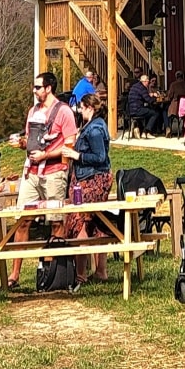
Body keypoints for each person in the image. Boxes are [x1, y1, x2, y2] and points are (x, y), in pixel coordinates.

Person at [9, 72, 77, 287]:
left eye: (38, 87)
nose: (35, 90)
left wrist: (46, 155)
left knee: (56, 220)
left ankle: (51, 272)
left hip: (54, 172)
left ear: (49, 88)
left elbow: (69, 145)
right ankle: (14, 274)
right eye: (34, 87)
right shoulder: (33, 111)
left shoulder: (64, 112)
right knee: (23, 220)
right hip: (31, 172)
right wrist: (21, 143)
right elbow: (31, 140)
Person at [60, 92, 113, 284]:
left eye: (82, 107)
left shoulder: (96, 129)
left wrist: (76, 155)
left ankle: (81, 274)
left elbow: (100, 157)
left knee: (80, 222)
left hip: (92, 179)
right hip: (85, 178)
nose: (80, 111)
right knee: (96, 223)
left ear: (89, 108)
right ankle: (99, 271)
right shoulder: (90, 126)